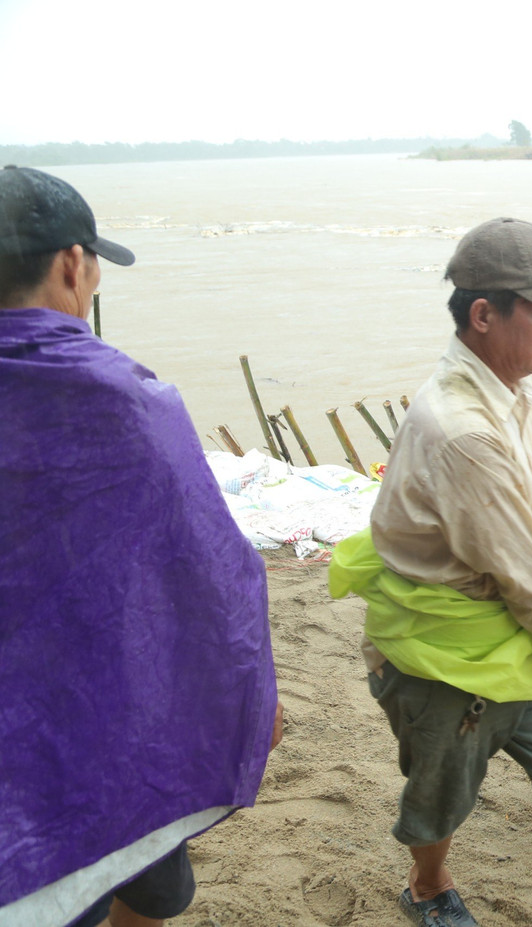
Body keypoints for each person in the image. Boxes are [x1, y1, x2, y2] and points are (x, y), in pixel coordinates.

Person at [328, 217, 532, 927]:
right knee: (440, 799)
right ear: (483, 315)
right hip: (447, 654)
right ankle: (428, 885)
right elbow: (525, 571)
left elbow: (521, 553)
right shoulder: (461, 428)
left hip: (514, 636)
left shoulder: (504, 395)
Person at [0, 165, 282, 927]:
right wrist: (253, 694)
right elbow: (215, 568)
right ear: (72, 264)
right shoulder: (123, 400)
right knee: (105, 873)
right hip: (100, 710)